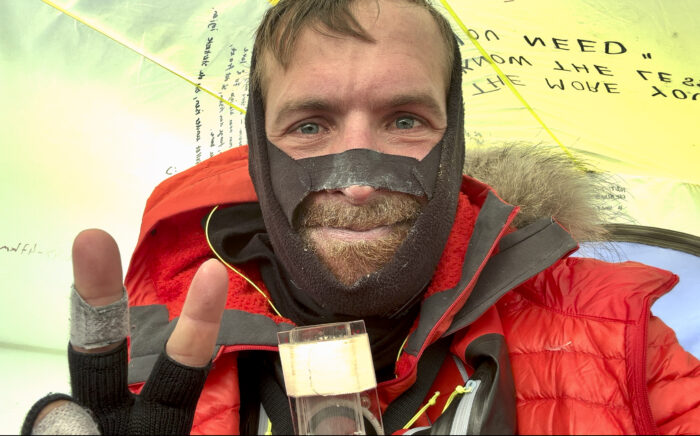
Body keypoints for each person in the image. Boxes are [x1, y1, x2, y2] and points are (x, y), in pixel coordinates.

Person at [23, 0, 700, 434]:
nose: (354, 185)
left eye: (404, 119)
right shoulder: (165, 364)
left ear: (454, 139)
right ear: (259, 151)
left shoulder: (625, 342)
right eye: (310, 124)